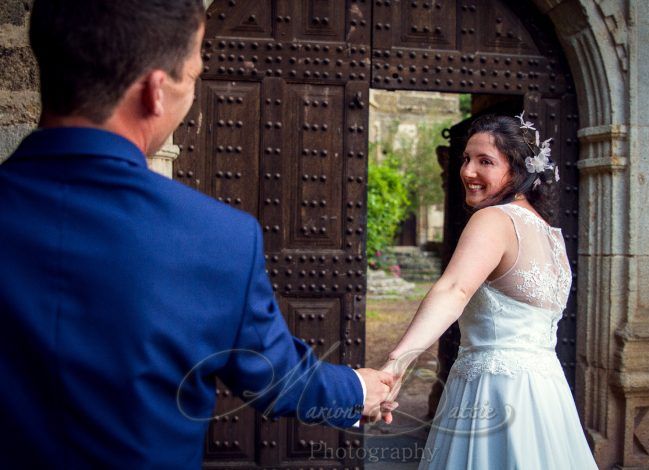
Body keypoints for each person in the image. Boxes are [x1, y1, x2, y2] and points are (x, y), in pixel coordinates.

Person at [0, 1, 393, 467]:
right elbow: (274, 377)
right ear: (156, 91)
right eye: (192, 76)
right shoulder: (217, 237)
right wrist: (359, 388)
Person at [380, 114, 598, 469]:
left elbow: (454, 289)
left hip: (492, 393)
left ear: (519, 170)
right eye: (466, 159)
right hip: (546, 395)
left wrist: (398, 361)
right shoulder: (551, 235)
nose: (467, 171)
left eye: (485, 162)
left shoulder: (494, 219)